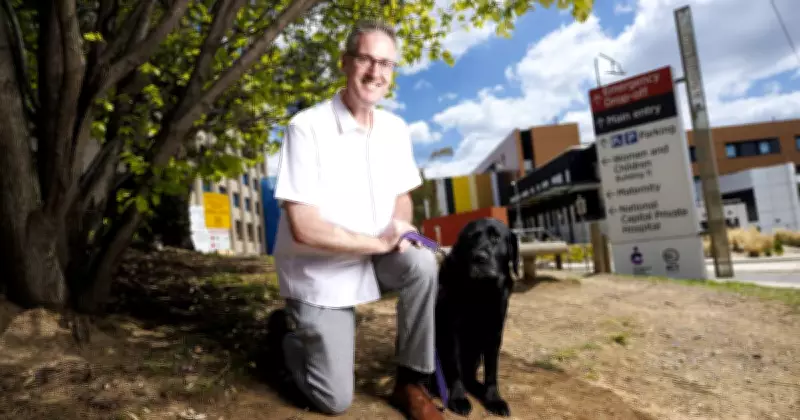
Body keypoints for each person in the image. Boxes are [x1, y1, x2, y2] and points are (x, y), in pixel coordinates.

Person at [268, 19, 444, 420]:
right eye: (365, 59)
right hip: (319, 275)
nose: (375, 72)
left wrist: (400, 229)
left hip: (372, 259)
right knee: (334, 401)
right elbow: (304, 227)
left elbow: (402, 197)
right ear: (346, 63)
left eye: (385, 64)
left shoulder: (395, 129)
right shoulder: (306, 128)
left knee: (421, 262)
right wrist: (380, 243)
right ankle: (284, 336)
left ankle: (411, 382)